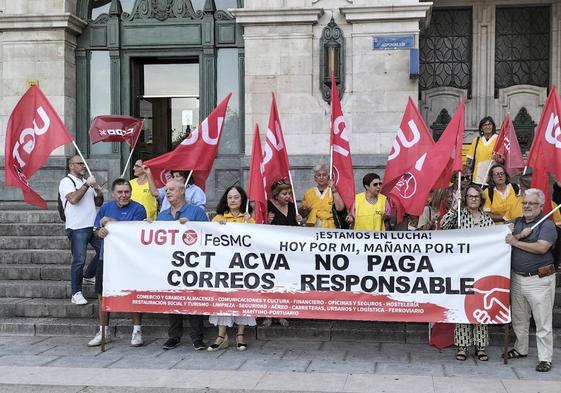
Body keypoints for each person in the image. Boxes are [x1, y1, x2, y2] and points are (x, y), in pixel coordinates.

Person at [87, 178, 147, 347]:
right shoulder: (105, 207)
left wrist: (113, 223)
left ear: (131, 192)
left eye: (126, 192)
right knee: (102, 295)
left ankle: (136, 331)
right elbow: (96, 230)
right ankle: (103, 330)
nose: (123, 195)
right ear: (113, 193)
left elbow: (135, 231)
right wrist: (101, 231)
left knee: (133, 293)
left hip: (130, 260)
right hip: (106, 258)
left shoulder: (138, 208)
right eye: (120, 192)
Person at [505, 188, 557, 372]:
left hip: (539, 280)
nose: (527, 206)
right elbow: (506, 238)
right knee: (519, 318)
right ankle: (521, 349)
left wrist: (516, 242)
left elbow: (542, 248)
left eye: (532, 203)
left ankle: (545, 358)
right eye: (525, 202)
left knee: (543, 321)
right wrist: (517, 235)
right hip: (517, 278)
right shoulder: (518, 223)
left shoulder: (547, 225)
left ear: (541, 206)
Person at [441, 184, 494, 361]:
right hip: (462, 270)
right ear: (465, 198)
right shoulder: (459, 216)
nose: (473, 199)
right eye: (470, 196)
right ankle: (462, 346)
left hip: (482, 270)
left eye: (476, 197)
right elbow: (443, 225)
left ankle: (480, 346)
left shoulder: (487, 220)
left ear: (481, 199)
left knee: (480, 307)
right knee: (462, 307)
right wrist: (455, 206)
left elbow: (495, 242)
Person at [159, 179, 209, 351]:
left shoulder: (196, 212)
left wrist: (192, 227)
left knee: (193, 299)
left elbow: (208, 235)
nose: (168, 193)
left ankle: (197, 338)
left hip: (192, 263)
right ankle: (174, 337)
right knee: (173, 298)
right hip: (170, 263)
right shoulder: (163, 215)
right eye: (166, 190)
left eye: (172, 189)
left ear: (182, 191)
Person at [207, 186, 256, 352]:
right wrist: (218, 228)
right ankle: (222, 336)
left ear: (242, 200)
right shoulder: (218, 218)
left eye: (236, 197)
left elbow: (258, 241)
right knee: (222, 298)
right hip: (223, 266)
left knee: (243, 297)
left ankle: (240, 335)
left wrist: (250, 224)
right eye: (230, 197)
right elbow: (209, 239)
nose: (233, 200)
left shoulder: (249, 219)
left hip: (243, 266)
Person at [59, 155, 103, 305]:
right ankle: (76, 292)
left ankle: (89, 275)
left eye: (83, 164)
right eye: (79, 164)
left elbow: (98, 202)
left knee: (105, 250)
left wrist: (99, 192)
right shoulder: (66, 181)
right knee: (78, 260)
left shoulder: (85, 181)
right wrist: (86, 186)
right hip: (77, 227)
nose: (83, 166)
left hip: (93, 225)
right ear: (71, 166)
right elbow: (73, 199)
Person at [263, 179, 302, 327]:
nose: (288, 196)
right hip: (271, 252)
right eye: (284, 194)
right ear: (276, 195)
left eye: (289, 193)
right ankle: (268, 314)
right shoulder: (267, 206)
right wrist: (265, 220)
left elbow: (296, 230)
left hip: (288, 253)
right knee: (270, 283)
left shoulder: (293, 207)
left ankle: (282, 313)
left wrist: (299, 220)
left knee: (284, 283)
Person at [465, 116, 502, 185]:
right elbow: (469, 160)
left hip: (493, 177)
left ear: (493, 126)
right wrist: (467, 172)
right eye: (485, 125)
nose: (487, 127)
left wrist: (498, 159)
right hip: (477, 178)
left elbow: (503, 159)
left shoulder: (499, 140)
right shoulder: (476, 141)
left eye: (489, 124)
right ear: (481, 128)